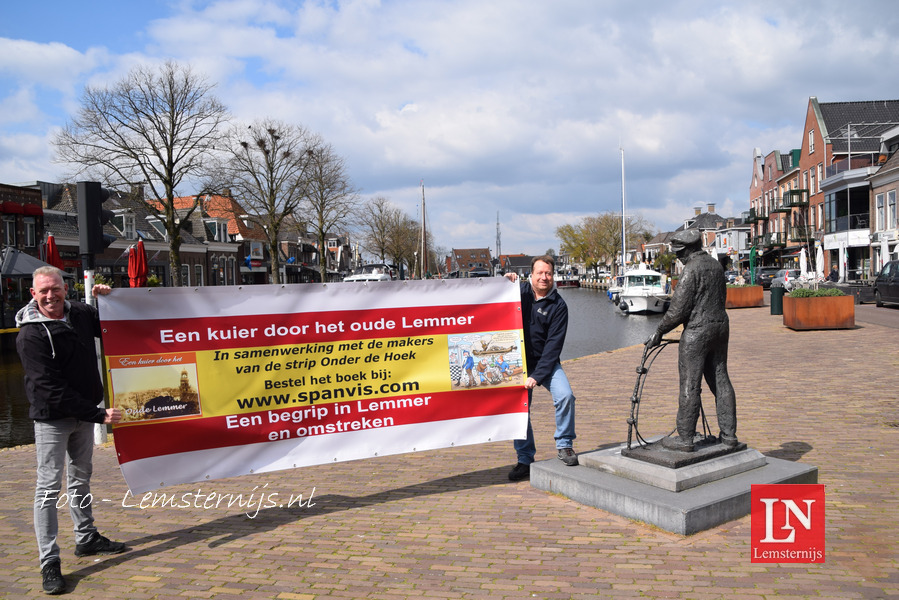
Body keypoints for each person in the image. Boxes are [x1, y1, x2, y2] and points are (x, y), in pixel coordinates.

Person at [16, 267, 127, 595]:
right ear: (33, 294)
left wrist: (109, 300)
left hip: (85, 414)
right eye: (43, 291)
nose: (50, 296)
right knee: (48, 487)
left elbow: (111, 328)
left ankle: (86, 538)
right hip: (53, 418)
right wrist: (96, 414)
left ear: (66, 288)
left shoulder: (79, 312)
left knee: (80, 477)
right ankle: (49, 561)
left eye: (55, 289)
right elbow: (50, 388)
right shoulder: (30, 335)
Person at [645, 229, 737, 452]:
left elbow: (678, 310)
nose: (679, 257)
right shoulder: (716, 266)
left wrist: (659, 331)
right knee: (721, 378)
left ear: (688, 249)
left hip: (697, 331)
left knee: (690, 383)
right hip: (720, 327)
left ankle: (685, 438)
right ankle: (729, 435)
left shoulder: (691, 270)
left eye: (679, 253)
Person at [505, 256, 577, 481]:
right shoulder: (519, 292)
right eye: (540, 273)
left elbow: (553, 346)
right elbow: (493, 299)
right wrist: (503, 282)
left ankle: (564, 445)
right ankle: (525, 459)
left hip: (545, 363)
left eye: (548, 273)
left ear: (552, 276)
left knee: (565, 396)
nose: (544, 277)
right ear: (531, 274)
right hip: (518, 363)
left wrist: (537, 376)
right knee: (520, 412)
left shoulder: (558, 306)